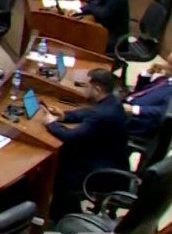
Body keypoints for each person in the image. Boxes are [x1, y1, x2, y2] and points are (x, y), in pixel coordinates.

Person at [43, 68, 129, 218]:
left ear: (97, 88)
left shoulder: (100, 114)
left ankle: (60, 215)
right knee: (64, 155)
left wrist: (51, 123)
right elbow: (87, 113)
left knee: (59, 167)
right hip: (114, 160)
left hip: (101, 171)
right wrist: (64, 116)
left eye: (86, 86)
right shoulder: (113, 102)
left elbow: (71, 136)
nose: (84, 89)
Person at [124, 51, 172, 136]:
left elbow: (165, 110)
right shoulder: (166, 78)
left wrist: (133, 109)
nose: (163, 65)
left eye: (169, 63)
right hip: (127, 105)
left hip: (137, 120)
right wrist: (149, 72)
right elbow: (139, 91)